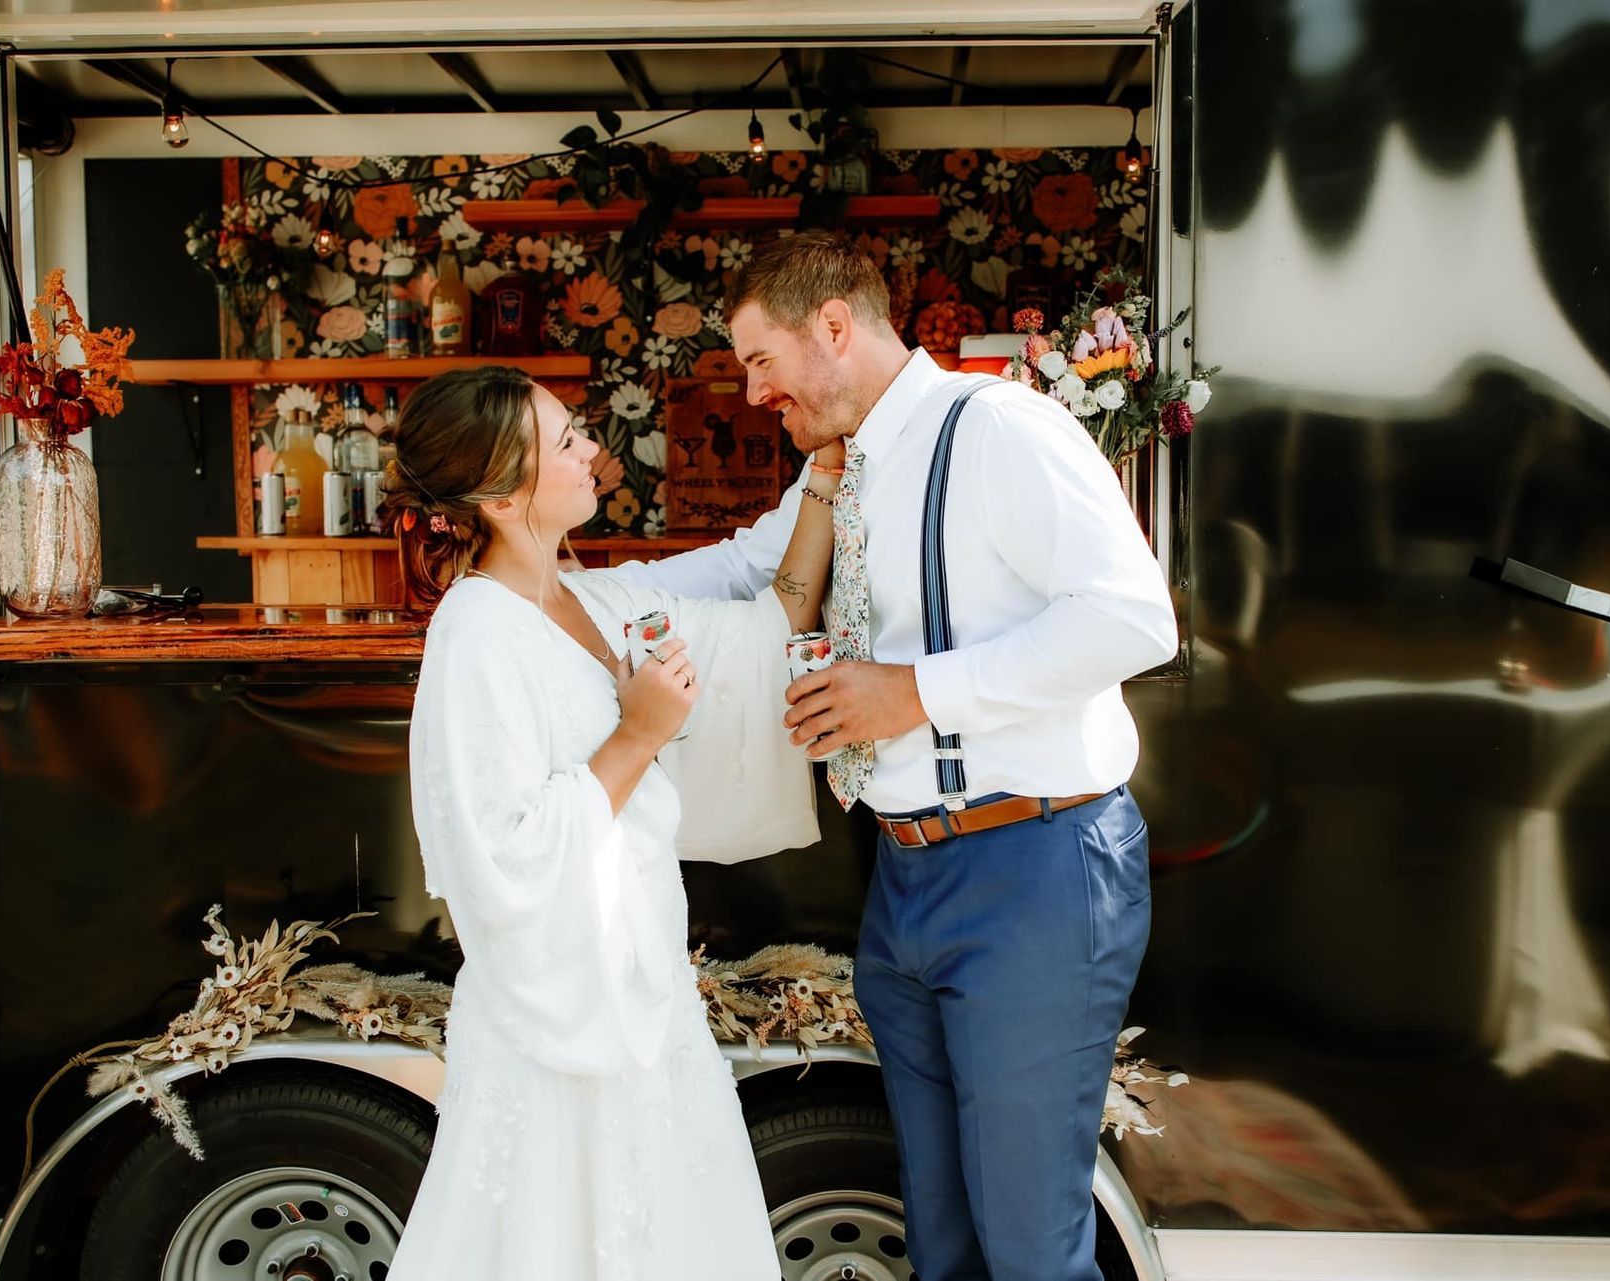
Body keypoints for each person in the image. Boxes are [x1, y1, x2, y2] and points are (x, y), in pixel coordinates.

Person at [607, 232, 1179, 1281]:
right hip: (905, 878)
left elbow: (1136, 623)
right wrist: (557, 598)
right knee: (945, 1239)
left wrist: (910, 693)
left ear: (833, 327)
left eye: (760, 360)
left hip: (1035, 869)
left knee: (1030, 1252)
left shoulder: (1000, 427)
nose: (751, 393)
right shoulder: (842, 463)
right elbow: (745, 567)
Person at [384, 365, 845, 1278]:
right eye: (565, 442)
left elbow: (773, 612)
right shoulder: (474, 635)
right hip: (556, 1030)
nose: (594, 451)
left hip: (644, 992)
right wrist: (639, 733)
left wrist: (827, 479)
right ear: (507, 497)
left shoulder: (591, 600)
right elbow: (500, 858)